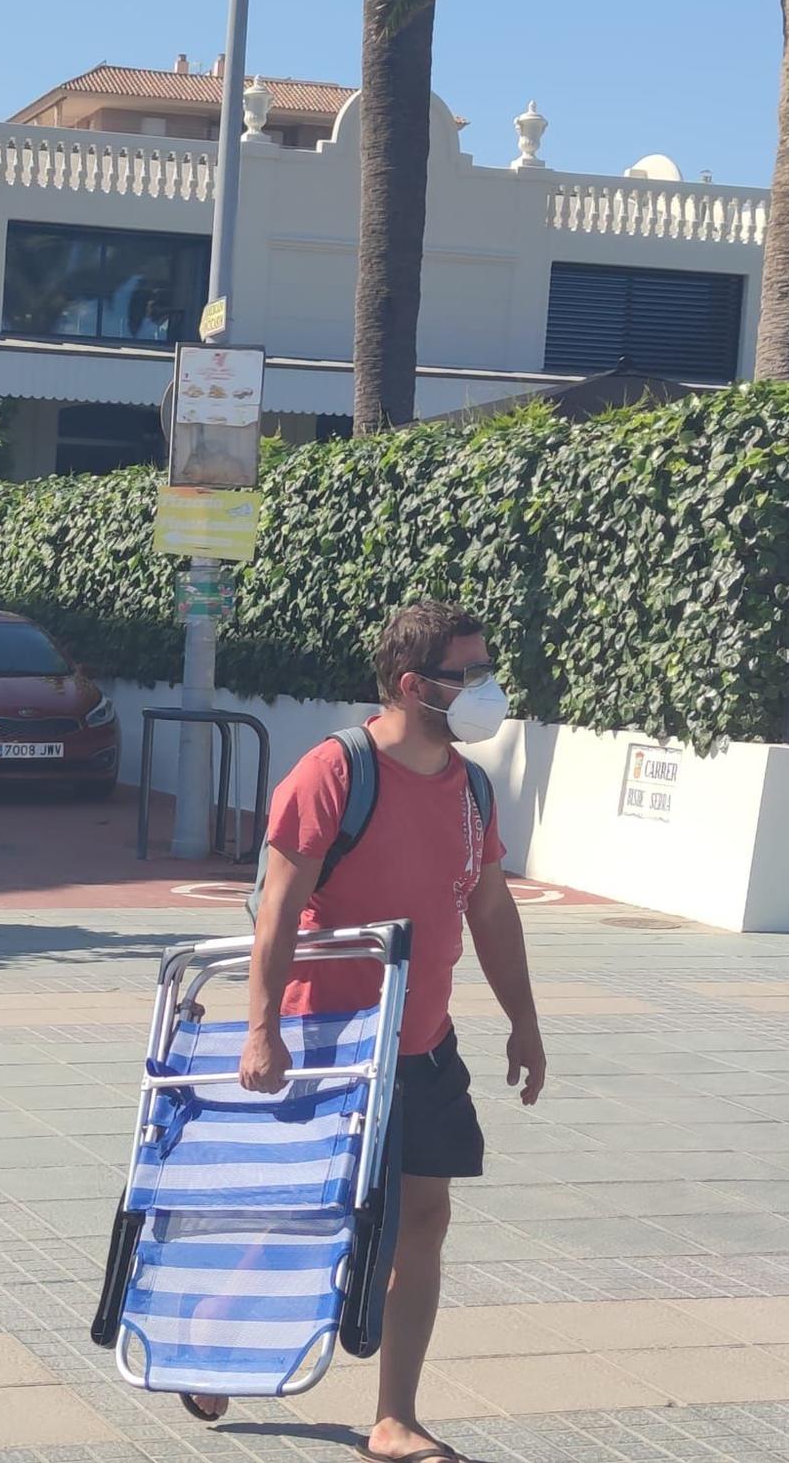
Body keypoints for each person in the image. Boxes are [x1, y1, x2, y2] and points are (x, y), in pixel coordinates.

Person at [187, 601, 547, 1463]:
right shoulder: (335, 771)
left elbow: (490, 908)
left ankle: (395, 1419)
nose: (485, 689)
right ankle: (212, 1328)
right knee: (309, 1215)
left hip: (421, 1039)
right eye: (469, 673)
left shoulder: (471, 788)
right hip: (330, 1036)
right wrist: (261, 1030)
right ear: (413, 684)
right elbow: (277, 903)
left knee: (425, 1214)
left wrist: (524, 1022)